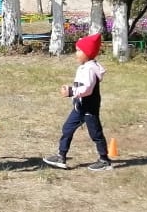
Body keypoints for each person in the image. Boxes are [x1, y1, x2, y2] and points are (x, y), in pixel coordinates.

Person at [43, 32, 111, 171]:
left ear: (88, 53)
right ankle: (61, 156)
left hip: (89, 108)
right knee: (67, 128)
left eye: (79, 50)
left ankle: (104, 160)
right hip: (79, 107)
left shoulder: (90, 69)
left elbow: (87, 89)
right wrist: (72, 89)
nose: (76, 53)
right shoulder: (84, 67)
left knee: (96, 134)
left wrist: (71, 92)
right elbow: (81, 86)